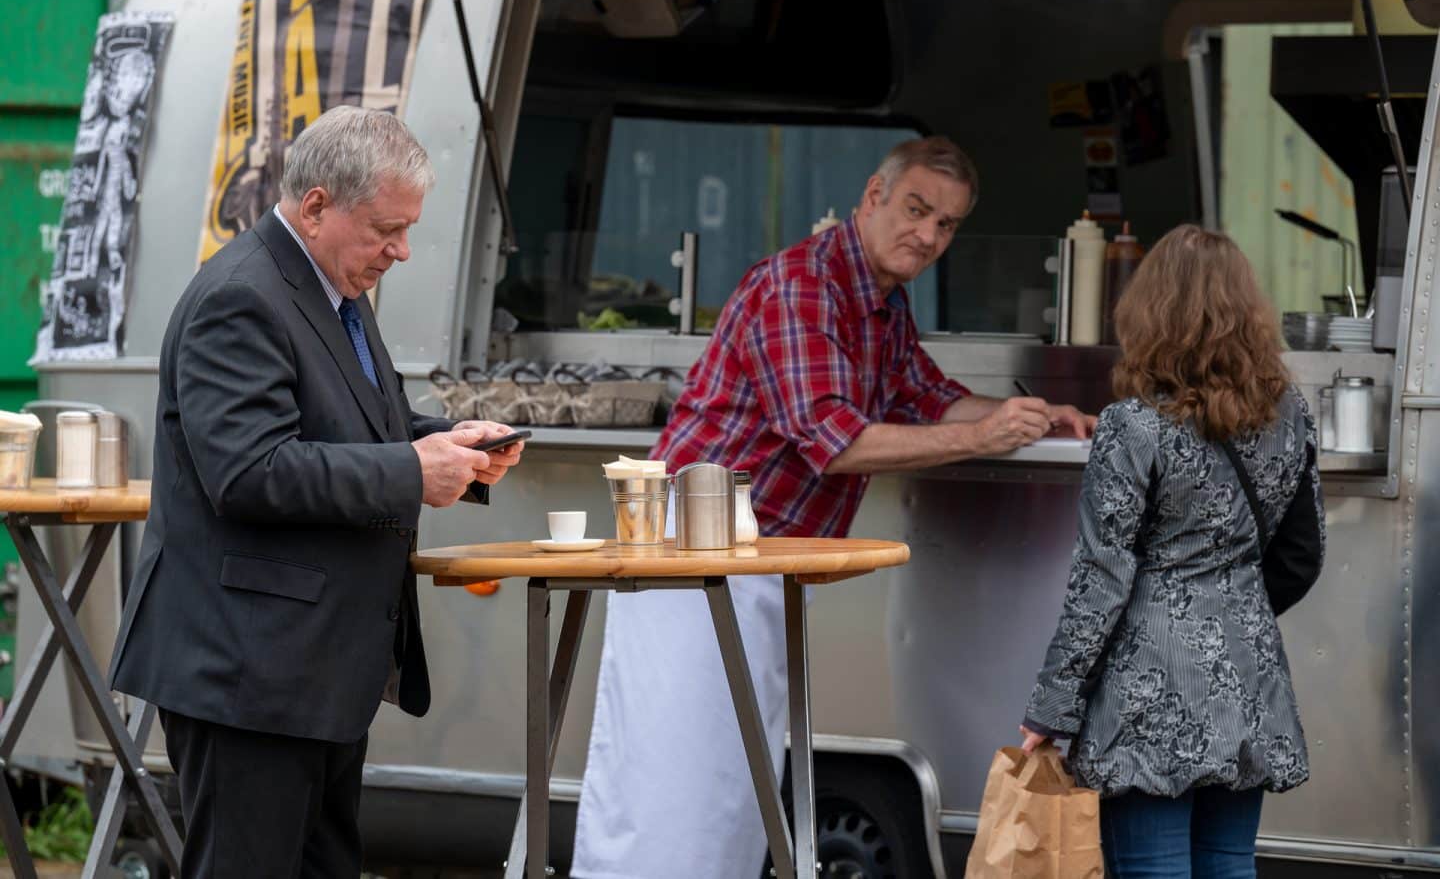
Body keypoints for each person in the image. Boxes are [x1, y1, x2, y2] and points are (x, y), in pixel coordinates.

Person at [571, 136, 1095, 879]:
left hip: (757, 562)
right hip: (688, 556)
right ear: (871, 198)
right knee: (670, 777)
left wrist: (1038, 415)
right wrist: (985, 433)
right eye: (917, 210)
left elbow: (930, 397)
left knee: (734, 784)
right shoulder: (803, 287)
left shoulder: (881, 301)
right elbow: (834, 441)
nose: (929, 235)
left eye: (946, 225)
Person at [108, 105, 523, 877]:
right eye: (385, 230)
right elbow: (249, 470)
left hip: (313, 669)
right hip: (247, 670)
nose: (400, 251)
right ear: (317, 205)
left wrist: (454, 441)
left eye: (407, 229)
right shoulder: (240, 297)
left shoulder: (332, 283)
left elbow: (366, 418)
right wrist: (411, 470)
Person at [1021, 225, 1326, 879]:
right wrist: (1231, 612)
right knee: (1227, 865)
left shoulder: (1131, 426)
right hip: (1250, 677)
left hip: (1147, 691)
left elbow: (1100, 580)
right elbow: (1303, 553)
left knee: (1152, 868)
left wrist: (1051, 708)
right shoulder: (1291, 414)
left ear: (1149, 311)